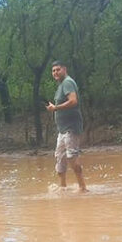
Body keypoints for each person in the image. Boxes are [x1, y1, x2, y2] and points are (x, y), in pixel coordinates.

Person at [46, 60, 87, 192]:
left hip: (71, 128)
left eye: (58, 69)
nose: (55, 72)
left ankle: (82, 188)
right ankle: (63, 187)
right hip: (62, 130)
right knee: (60, 157)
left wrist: (55, 108)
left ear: (64, 69)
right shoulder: (61, 85)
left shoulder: (68, 82)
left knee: (72, 157)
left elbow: (73, 101)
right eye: (53, 71)